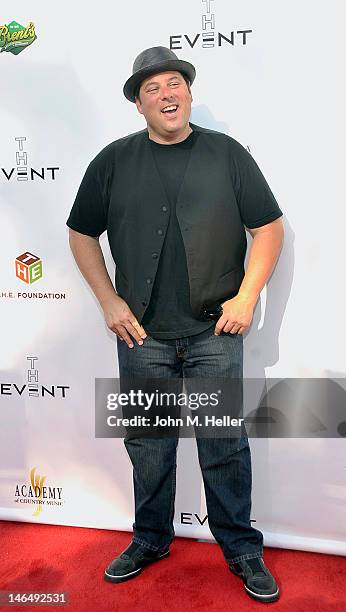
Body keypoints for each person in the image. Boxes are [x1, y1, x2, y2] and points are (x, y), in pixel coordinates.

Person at [67, 46, 284, 603]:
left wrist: (246, 296)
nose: (167, 94)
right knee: (149, 443)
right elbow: (81, 233)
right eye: (152, 88)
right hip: (143, 336)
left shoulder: (227, 155)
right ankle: (151, 538)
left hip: (216, 332)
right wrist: (109, 302)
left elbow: (269, 227)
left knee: (223, 443)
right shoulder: (113, 161)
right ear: (138, 105)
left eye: (174, 83)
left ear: (187, 91)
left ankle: (240, 548)